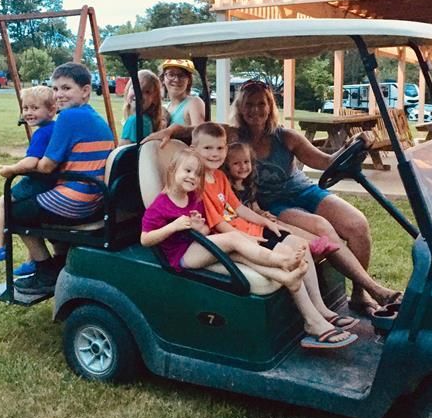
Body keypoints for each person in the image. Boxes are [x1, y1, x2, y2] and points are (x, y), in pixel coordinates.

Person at [146, 80, 401, 315]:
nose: (255, 110)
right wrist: (170, 130)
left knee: (357, 224)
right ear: (240, 107)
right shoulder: (231, 136)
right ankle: (375, 289)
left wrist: (352, 148)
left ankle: (360, 293)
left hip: (304, 191)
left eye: (261, 104)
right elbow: (194, 131)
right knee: (322, 228)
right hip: (273, 203)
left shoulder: (286, 137)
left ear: (270, 107)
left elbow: (325, 162)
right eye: (249, 104)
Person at [141, 146, 356, 350]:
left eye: (195, 174)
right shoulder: (161, 206)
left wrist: (200, 227)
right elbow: (145, 239)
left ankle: (288, 279)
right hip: (180, 256)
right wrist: (174, 226)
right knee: (236, 242)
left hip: (198, 244)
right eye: (187, 171)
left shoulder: (193, 197)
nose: (192, 177)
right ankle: (282, 263)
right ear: (173, 171)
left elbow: (210, 226)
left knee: (241, 253)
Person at [192, 122, 360, 348]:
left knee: (300, 244)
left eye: (220, 148)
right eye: (208, 149)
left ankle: (321, 309)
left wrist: (266, 222)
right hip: (234, 239)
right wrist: (248, 238)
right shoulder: (199, 183)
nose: (215, 154)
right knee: (289, 256)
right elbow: (219, 223)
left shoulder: (220, 178)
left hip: (247, 229)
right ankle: (312, 321)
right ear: (195, 149)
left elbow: (240, 209)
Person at [11, 62, 115, 295]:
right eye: (55, 89)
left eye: (66, 88)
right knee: (36, 205)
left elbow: (47, 166)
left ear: (85, 91)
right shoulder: (95, 117)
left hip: (76, 200)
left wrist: (21, 165)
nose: (58, 95)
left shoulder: (69, 117)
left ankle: (45, 271)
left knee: (13, 210)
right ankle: (60, 261)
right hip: (96, 198)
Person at [0, 85, 57, 276]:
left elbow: (31, 162)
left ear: (51, 110)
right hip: (53, 182)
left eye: (35, 108)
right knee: (32, 219)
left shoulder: (42, 133)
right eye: (26, 108)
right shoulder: (56, 128)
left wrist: (11, 169)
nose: (29, 113)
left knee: (3, 202)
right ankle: (32, 260)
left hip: (39, 182)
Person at [223, 141, 341, 259]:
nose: (243, 167)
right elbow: (233, 212)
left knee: (279, 223)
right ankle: (310, 245)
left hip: (256, 219)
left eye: (246, 162)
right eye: (236, 163)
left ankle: (316, 243)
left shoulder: (248, 185)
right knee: (277, 225)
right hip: (245, 225)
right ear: (227, 166)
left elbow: (255, 208)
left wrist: (262, 213)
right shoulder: (228, 187)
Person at [119, 69, 165, 145]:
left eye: (147, 92)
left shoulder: (135, 121)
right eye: (135, 88)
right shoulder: (148, 121)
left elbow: (121, 154)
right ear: (127, 90)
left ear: (155, 99)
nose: (139, 94)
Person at [160, 59, 205, 127]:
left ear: (189, 80)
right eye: (171, 74)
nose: (176, 79)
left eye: (181, 75)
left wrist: (174, 131)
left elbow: (199, 132)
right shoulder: (166, 108)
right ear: (163, 79)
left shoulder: (194, 102)